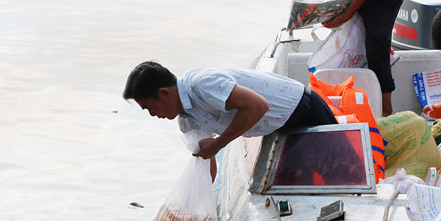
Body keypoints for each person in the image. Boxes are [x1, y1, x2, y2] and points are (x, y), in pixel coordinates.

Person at [122, 62, 337, 164]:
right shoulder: (187, 121)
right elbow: (207, 162)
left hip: (305, 111)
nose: (152, 115)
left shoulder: (202, 84)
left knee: (340, 175)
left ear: (164, 93)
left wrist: (217, 144)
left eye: (150, 107)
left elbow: (257, 106)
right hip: (280, 130)